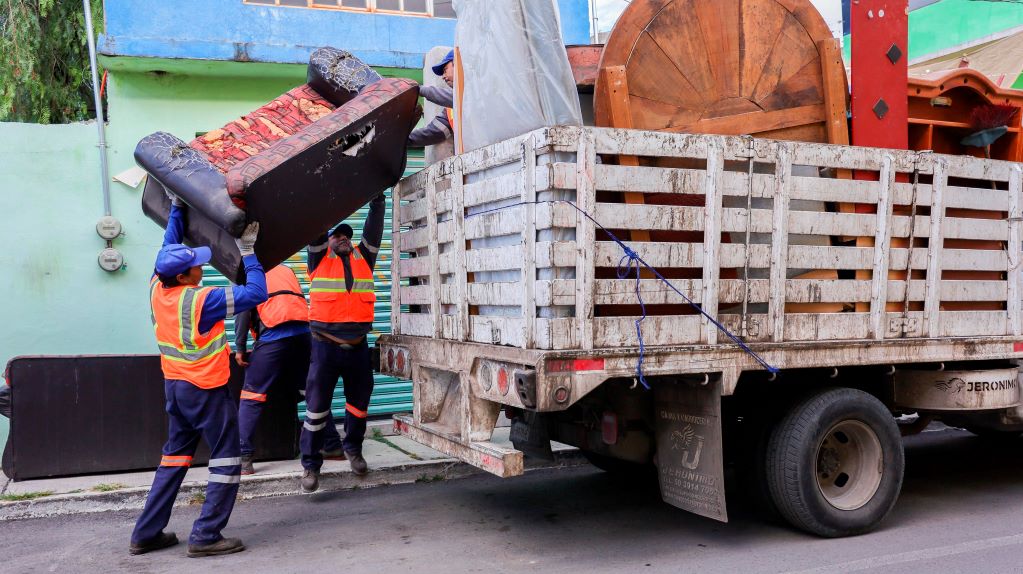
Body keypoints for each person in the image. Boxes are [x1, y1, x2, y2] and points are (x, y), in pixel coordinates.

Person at [130, 192, 267, 558]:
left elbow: (168, 244)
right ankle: (206, 535)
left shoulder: (157, 288)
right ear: (184, 275)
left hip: (175, 388)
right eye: (195, 265)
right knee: (225, 459)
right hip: (206, 389)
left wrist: (176, 207)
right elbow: (257, 291)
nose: (201, 267)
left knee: (174, 458)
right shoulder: (201, 300)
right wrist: (249, 250)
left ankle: (146, 534)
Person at [298, 193, 385, 493]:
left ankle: (353, 450)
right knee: (316, 409)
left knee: (359, 406)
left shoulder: (365, 259)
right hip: (325, 347)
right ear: (328, 241)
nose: (343, 239)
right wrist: (327, 192)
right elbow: (317, 228)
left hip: (358, 347)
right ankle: (310, 466)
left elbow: (373, 230)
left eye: (346, 235)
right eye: (336, 235)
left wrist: (377, 200)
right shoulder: (318, 259)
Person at [234, 265, 344, 475]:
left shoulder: (245, 272)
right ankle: (332, 445)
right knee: (311, 392)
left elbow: (242, 311)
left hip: (273, 336)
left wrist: (240, 348)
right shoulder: (285, 268)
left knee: (252, 394)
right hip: (304, 335)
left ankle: (243, 457)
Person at [408, 49, 456, 148]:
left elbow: (458, 98)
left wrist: (416, 89)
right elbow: (435, 132)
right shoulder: (450, 111)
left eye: (445, 70)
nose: (443, 76)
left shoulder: (476, 88)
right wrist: (403, 140)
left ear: (457, 64)